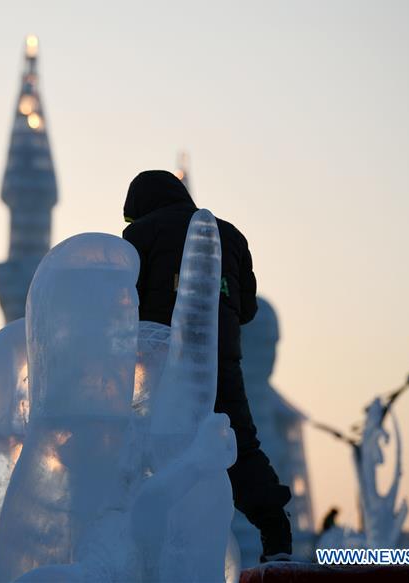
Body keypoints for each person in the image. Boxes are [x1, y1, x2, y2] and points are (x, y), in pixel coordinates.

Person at [122, 169, 293, 563]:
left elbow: (124, 303)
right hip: (220, 360)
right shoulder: (229, 235)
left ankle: (148, 548)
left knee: (144, 448)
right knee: (239, 445)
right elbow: (247, 308)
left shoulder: (139, 237)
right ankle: (275, 530)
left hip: (160, 362)